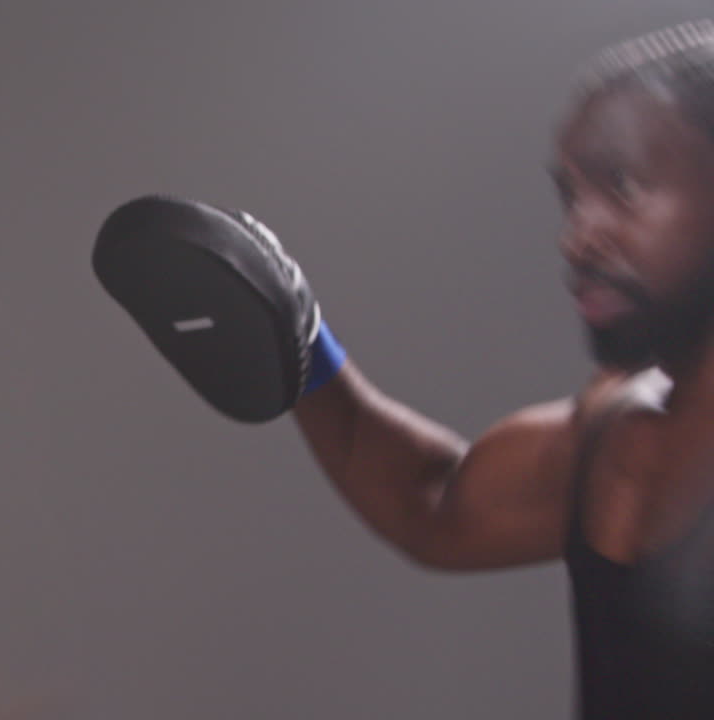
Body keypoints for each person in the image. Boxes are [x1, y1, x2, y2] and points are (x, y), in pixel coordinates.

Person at [96, 19, 714, 720]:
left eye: (623, 185)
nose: (577, 235)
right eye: (570, 196)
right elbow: (437, 503)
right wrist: (304, 336)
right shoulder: (610, 427)